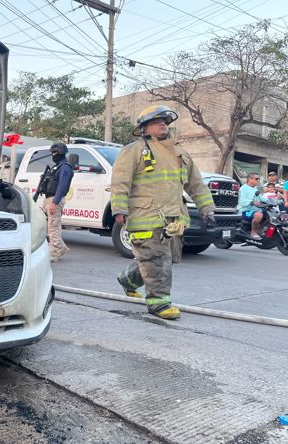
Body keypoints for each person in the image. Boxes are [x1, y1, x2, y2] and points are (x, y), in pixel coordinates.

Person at [111, 105, 215, 320]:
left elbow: (196, 184)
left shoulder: (181, 153)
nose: (162, 124)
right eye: (156, 121)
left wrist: (207, 207)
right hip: (146, 217)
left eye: (164, 121)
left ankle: (127, 280)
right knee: (157, 260)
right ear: (144, 128)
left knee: (163, 259)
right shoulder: (134, 150)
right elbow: (120, 182)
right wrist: (119, 208)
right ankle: (159, 303)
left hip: (174, 219)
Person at [39, 142, 74, 262]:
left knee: (53, 227)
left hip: (54, 200)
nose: (53, 155)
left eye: (56, 153)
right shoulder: (57, 166)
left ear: (62, 153)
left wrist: (55, 202)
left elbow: (62, 186)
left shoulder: (64, 168)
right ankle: (60, 247)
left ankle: (53, 253)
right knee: (47, 226)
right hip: (49, 199)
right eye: (52, 153)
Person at [237, 173, 267, 239]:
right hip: (244, 210)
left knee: (268, 214)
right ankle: (253, 232)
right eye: (256, 179)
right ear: (250, 179)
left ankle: (259, 230)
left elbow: (261, 198)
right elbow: (242, 200)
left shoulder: (255, 188)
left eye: (259, 179)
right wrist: (252, 202)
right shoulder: (243, 188)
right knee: (258, 215)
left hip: (254, 209)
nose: (258, 180)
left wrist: (273, 200)